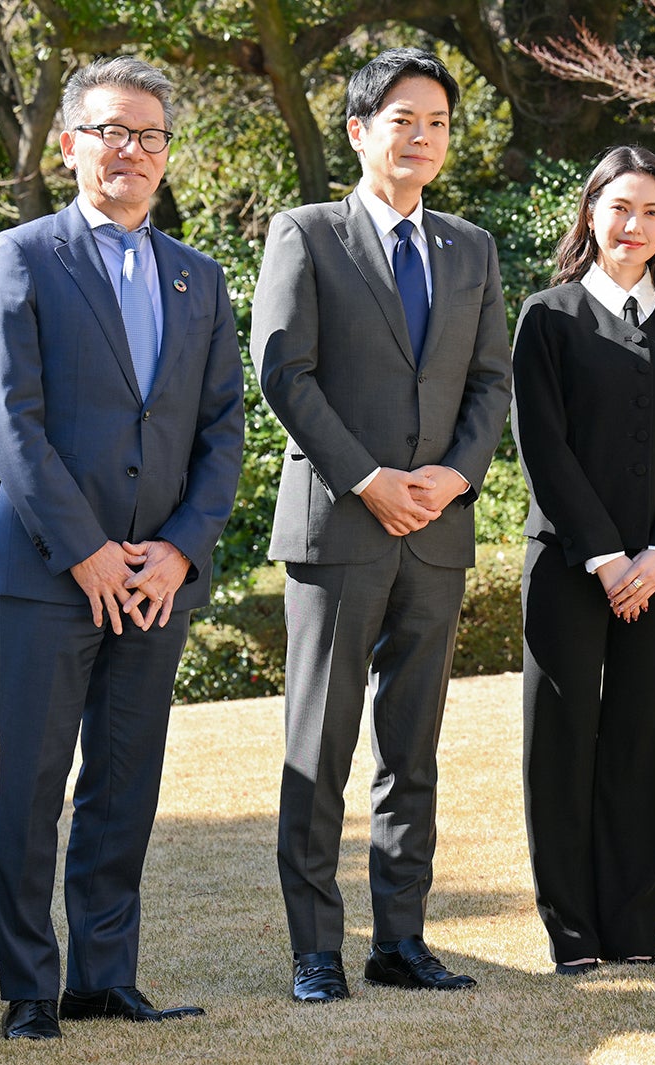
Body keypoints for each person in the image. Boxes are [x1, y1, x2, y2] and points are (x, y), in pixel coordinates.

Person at [0, 56, 245, 1040]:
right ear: (71, 142)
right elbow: (9, 418)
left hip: (159, 577)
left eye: (148, 136)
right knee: (34, 787)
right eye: (110, 131)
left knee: (125, 783)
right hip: (48, 575)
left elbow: (223, 430)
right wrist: (86, 550)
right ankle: (30, 991)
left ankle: (103, 976)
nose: (130, 150)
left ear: (167, 156)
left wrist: (176, 550)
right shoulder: (21, 256)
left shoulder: (198, 277)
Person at [253, 47, 511, 999]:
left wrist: (451, 476)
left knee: (414, 746)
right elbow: (285, 373)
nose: (423, 137)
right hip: (340, 528)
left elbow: (490, 382)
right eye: (404, 119)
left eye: (438, 122)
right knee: (318, 744)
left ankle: (400, 938)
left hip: (436, 530)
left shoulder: (470, 248)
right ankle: (316, 947)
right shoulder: (306, 232)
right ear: (360, 130)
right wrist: (368, 478)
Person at [512, 147, 655, 975]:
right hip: (568, 566)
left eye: (653, 213)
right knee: (561, 742)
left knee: (643, 739)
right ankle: (573, 938)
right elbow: (543, 447)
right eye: (621, 208)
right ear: (591, 212)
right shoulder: (548, 315)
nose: (635, 226)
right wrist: (605, 557)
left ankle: (634, 934)